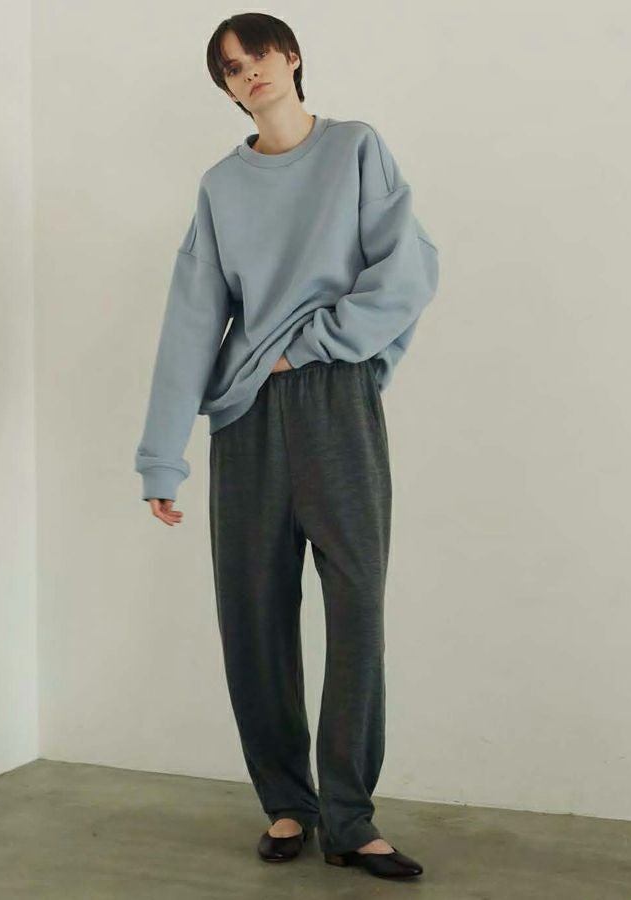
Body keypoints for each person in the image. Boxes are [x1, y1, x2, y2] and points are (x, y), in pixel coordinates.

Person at [134, 12, 439, 881]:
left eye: (258, 54)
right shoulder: (221, 188)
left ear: (292, 56)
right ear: (228, 88)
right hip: (245, 420)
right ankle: (285, 803)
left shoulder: (355, 149)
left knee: (357, 608)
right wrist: (162, 454)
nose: (249, 72)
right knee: (254, 614)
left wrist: (309, 345)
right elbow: (192, 318)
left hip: (335, 401)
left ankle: (350, 817)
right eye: (231, 68)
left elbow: (408, 270)